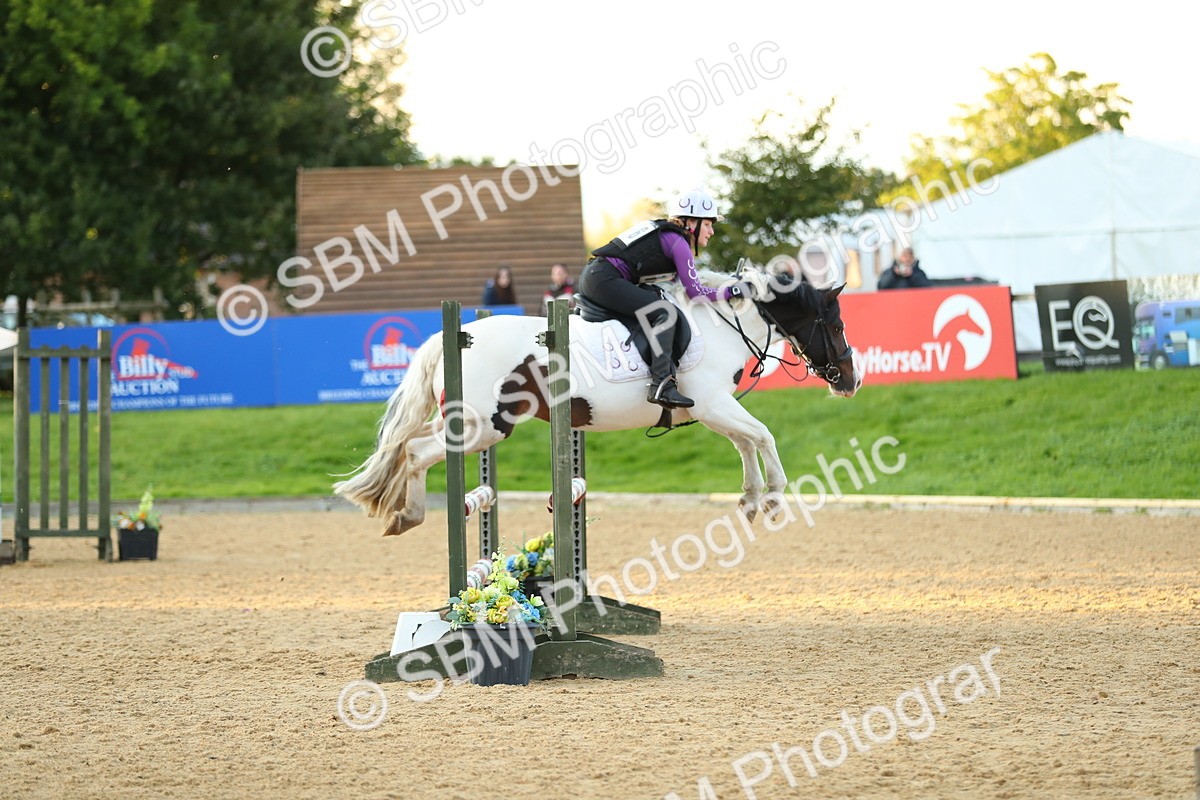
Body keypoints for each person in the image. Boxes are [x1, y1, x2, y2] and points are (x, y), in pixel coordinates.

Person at [578, 188, 753, 410]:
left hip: (598, 276)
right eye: (708, 224)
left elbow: (679, 285)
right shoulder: (678, 243)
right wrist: (733, 292)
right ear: (691, 222)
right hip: (604, 279)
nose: (711, 231)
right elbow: (696, 293)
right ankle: (662, 384)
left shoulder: (670, 236)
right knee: (665, 313)